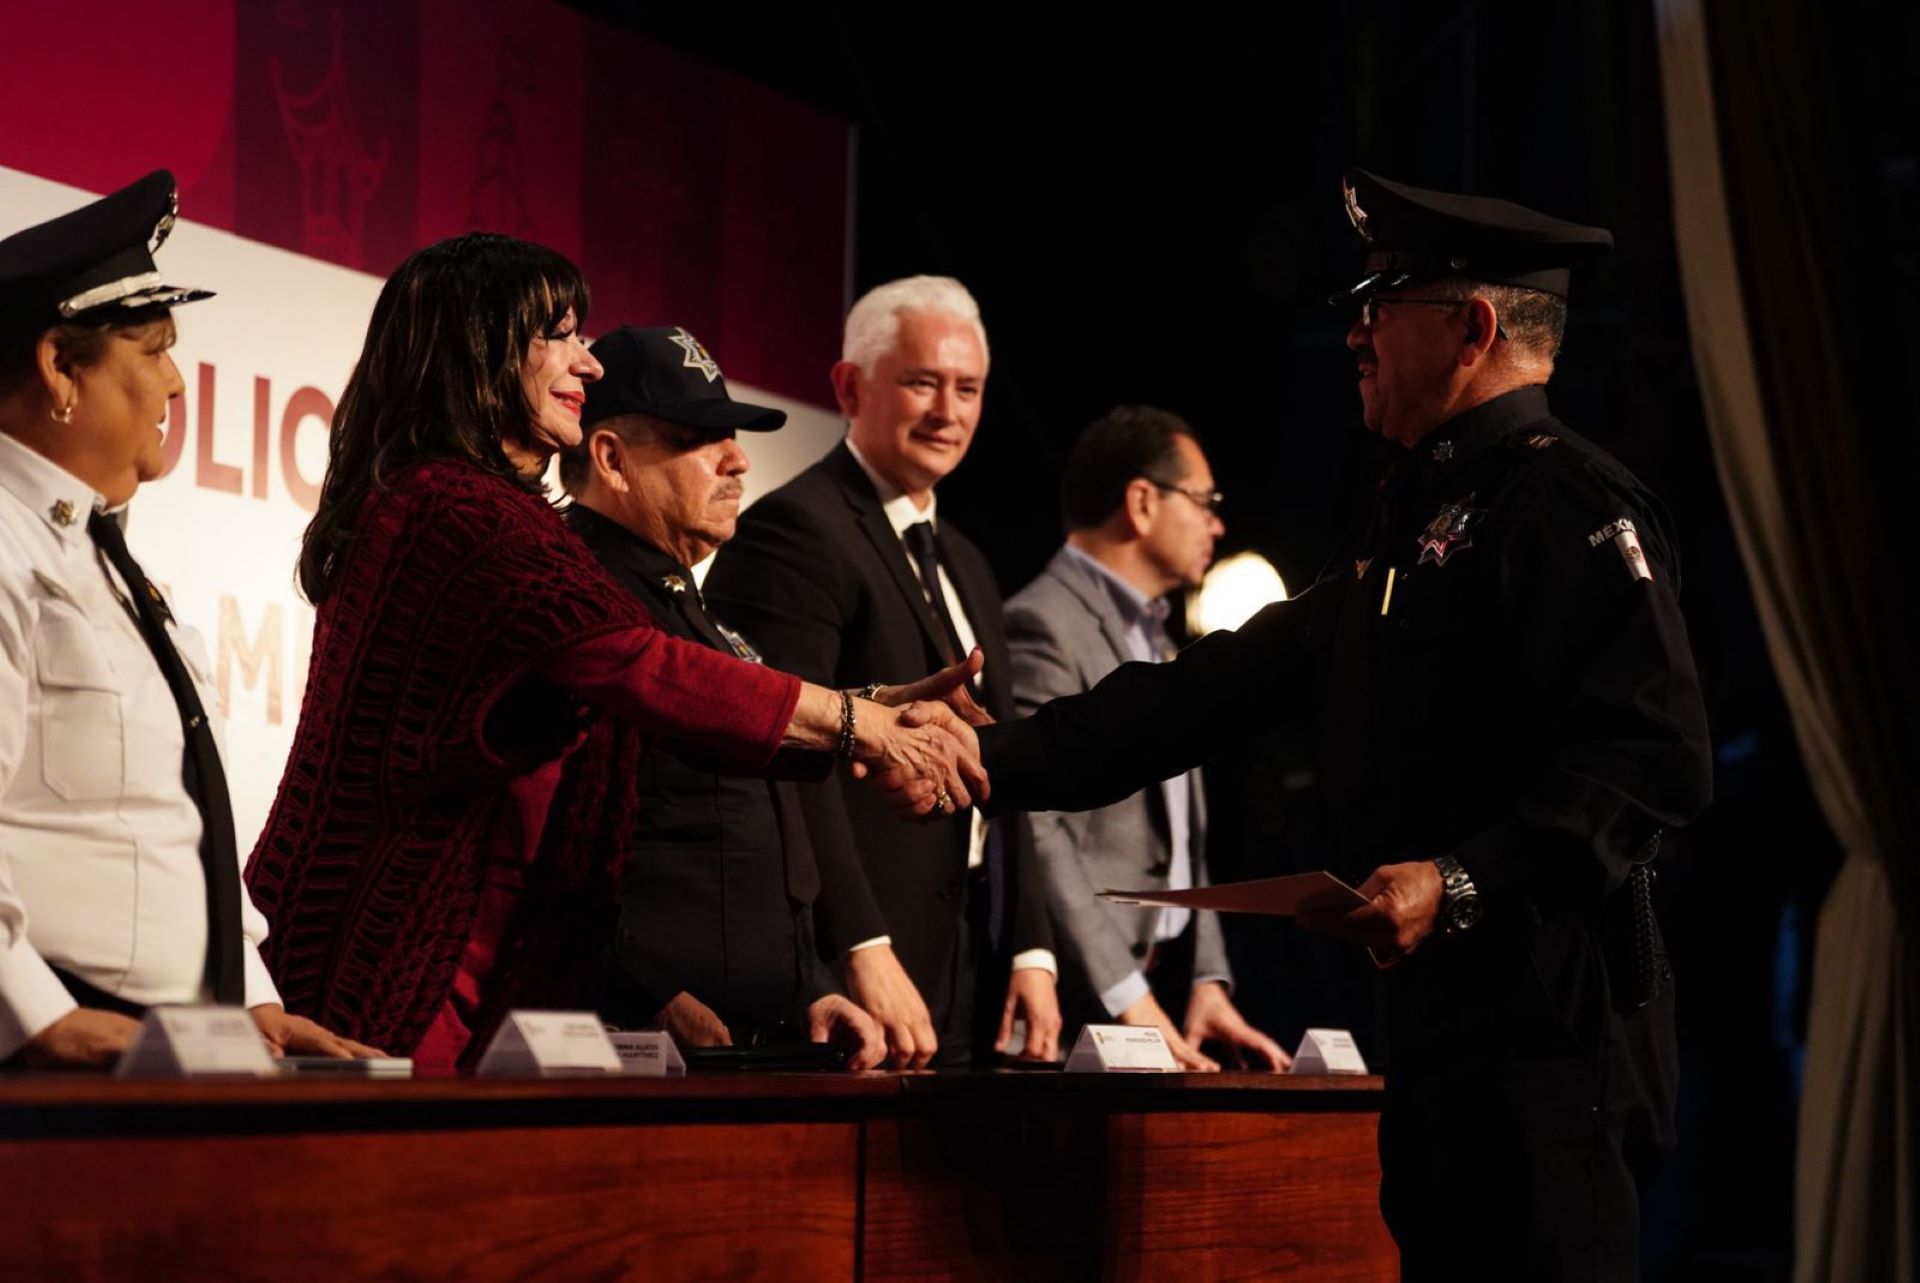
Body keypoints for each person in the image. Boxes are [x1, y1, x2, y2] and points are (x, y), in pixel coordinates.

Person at [917, 171, 1712, 1278]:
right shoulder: (1420, 511)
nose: (1355, 332)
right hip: (1442, 1039)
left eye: (1383, 299)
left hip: (1549, 1041)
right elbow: (1217, 685)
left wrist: (1459, 878)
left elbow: (1653, 761)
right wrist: (985, 757)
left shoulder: (1570, 507)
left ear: (1473, 326)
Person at [242, 235, 986, 1070]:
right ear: (479, 346)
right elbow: (651, 673)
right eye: (557, 334)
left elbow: (678, 699)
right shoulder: (454, 510)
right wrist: (863, 724)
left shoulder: (490, 513)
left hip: (456, 972)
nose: (586, 365)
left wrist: (870, 707)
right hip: (379, 953)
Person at [0, 171, 375, 1066]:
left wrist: (249, 998)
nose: (176, 379)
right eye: (151, 347)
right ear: (60, 364)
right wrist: (34, 1018)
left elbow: (169, 818)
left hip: (166, 1052)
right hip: (56, 1066)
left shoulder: (110, 563)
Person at [706, 276, 1062, 1070]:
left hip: (974, 950)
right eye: (922, 382)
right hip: (858, 962)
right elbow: (790, 761)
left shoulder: (968, 559)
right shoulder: (795, 530)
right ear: (849, 386)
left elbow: (999, 758)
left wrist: (1033, 947)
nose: (948, 410)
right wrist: (862, 942)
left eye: (967, 388)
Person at [557, 324, 883, 1067]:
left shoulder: (690, 608)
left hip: (747, 1053)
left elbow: (755, 839)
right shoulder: (579, 605)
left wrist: (811, 988)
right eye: (700, 437)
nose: (738, 458)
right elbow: (546, 846)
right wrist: (642, 996)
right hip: (633, 1057)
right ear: (610, 457)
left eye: (732, 435)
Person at [1005, 405, 1287, 1072]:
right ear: (1140, 502)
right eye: (1204, 501)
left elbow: (1187, 835)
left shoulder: (1159, 634)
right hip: (1075, 1002)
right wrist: (1127, 995)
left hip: (1150, 989)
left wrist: (1207, 980)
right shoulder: (1041, 621)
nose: (1218, 522)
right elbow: (1037, 822)